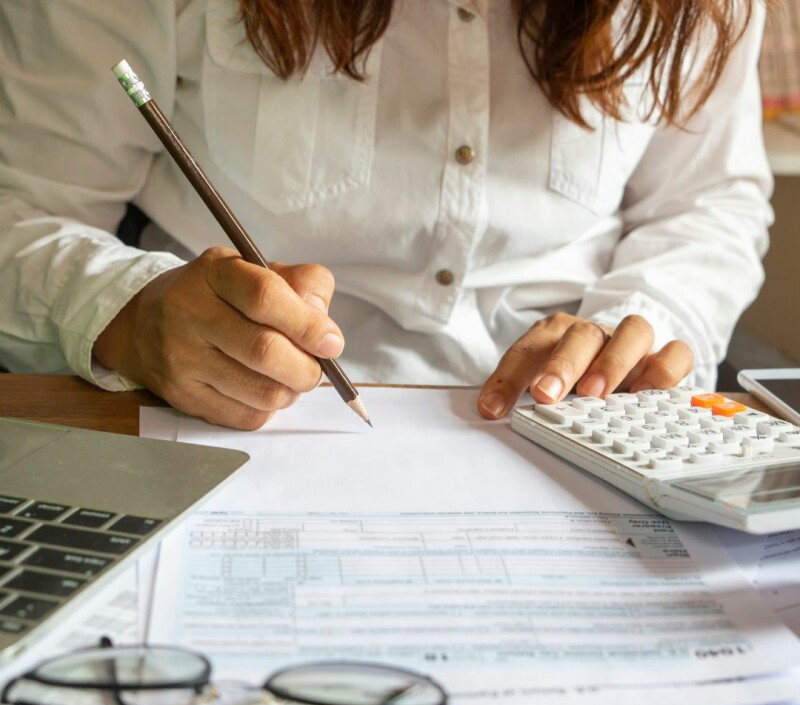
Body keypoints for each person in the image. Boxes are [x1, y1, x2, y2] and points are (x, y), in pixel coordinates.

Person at [0, 0, 772, 430]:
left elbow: (708, 201)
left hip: (584, 433)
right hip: (222, 427)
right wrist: (130, 315)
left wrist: (640, 324)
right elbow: (22, 203)